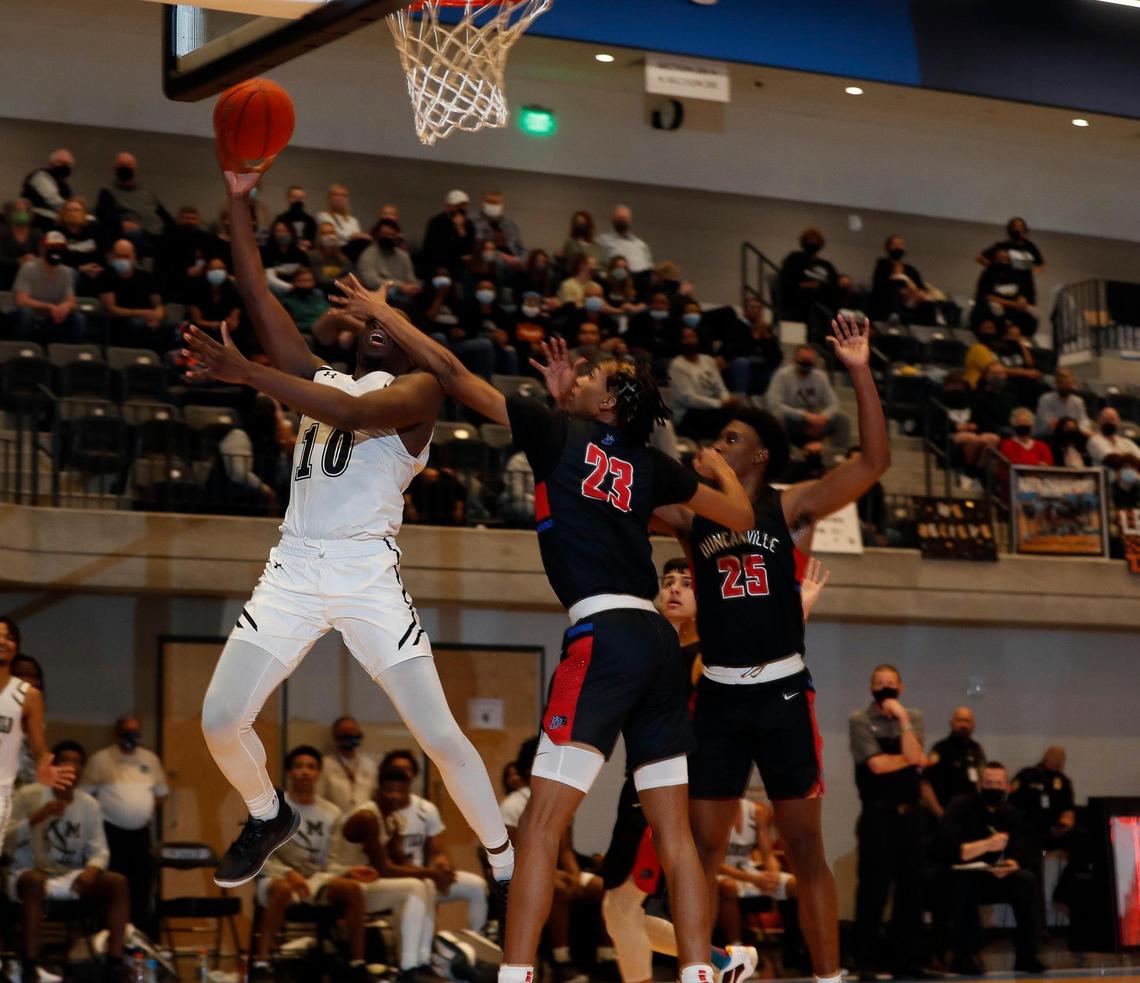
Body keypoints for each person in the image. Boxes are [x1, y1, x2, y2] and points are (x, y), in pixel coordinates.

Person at [331, 277, 757, 983]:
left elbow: (453, 373)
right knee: (675, 834)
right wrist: (719, 472)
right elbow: (736, 520)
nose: (582, 374)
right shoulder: (647, 463)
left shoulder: (559, 431)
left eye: (595, 375)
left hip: (604, 633)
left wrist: (386, 315)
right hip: (655, 639)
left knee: (537, 826)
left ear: (610, 402)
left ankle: (517, 973)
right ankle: (697, 972)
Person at [181, 165, 515, 902]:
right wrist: (238, 201)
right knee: (219, 718)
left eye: (386, 321)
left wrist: (245, 374)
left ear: (405, 338)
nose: (372, 326)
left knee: (438, 734)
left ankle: (502, 852)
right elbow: (258, 293)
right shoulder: (320, 374)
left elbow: (357, 419)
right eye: (367, 319)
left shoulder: (420, 392)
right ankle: (269, 813)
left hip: (368, 576)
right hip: (293, 568)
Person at [653, 314, 890, 983]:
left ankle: (826, 976)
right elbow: (619, 493)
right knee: (699, 847)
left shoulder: (790, 508)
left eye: (731, 436)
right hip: (720, 692)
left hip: (784, 689)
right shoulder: (692, 515)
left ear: (758, 455)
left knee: (805, 844)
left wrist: (861, 368)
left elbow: (874, 461)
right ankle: (701, 968)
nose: (718, 443)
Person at [600, 559, 759, 983]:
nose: (673, 589)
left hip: (668, 789)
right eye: (668, 582)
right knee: (621, 911)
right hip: (636, 781)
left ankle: (721, 962)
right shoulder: (657, 649)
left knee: (621, 905)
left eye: (686, 584)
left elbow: (728, 719)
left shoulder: (703, 657)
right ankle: (725, 961)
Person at [6, 741, 129, 983]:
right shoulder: (29, 795)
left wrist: (92, 870)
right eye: (65, 763)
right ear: (53, 766)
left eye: (76, 763)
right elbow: (5, 841)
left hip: (69, 875)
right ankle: (31, 964)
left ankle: (115, 962)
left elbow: (100, 851)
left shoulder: (89, 805)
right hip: (28, 872)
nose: (71, 768)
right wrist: (36, 817)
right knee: (34, 881)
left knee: (117, 882)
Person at [251, 745, 370, 983]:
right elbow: (261, 853)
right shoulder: (272, 808)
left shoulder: (332, 812)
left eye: (311, 767)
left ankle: (357, 963)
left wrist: (347, 871)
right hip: (279, 878)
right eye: (299, 767)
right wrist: (288, 874)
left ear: (318, 773)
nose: (305, 772)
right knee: (283, 890)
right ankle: (261, 963)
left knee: (353, 890)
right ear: (290, 772)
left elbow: (333, 860)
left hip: (317, 881)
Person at [847, 665, 927, 980]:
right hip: (878, 815)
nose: (885, 688)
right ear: (871, 688)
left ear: (901, 687)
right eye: (879, 683)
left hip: (911, 816)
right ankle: (864, 962)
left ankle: (907, 962)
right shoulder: (860, 720)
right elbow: (877, 765)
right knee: (873, 891)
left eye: (890, 683)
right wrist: (910, 759)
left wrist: (903, 720)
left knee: (912, 892)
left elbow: (915, 754)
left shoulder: (914, 717)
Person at [938, 762, 1045, 975]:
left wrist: (1009, 865)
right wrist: (988, 844)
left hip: (989, 874)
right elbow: (952, 850)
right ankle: (967, 955)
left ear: (1007, 787)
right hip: (952, 874)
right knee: (965, 881)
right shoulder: (959, 806)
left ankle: (1027, 954)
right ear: (979, 786)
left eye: (998, 783)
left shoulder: (1011, 813)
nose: (993, 787)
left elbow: (1020, 850)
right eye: (988, 783)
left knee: (1025, 880)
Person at [374, 761, 491, 937]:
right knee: (424, 888)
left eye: (400, 790)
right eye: (390, 790)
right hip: (399, 879)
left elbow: (436, 851)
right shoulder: (374, 813)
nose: (395, 796)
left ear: (409, 784)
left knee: (477, 886)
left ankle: (476, 942)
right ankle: (420, 955)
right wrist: (431, 874)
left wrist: (442, 866)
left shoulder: (425, 809)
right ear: (381, 789)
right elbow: (390, 863)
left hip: (426, 875)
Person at [81, 716, 168, 939]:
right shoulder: (101, 759)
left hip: (140, 835)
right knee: (113, 883)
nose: (131, 737)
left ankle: (139, 934)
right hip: (110, 832)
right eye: (126, 732)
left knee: (141, 885)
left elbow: (161, 794)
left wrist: (142, 810)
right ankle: (107, 933)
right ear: (117, 734)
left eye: (135, 732)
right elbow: (84, 796)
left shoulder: (149, 759)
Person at [1, 619, 74, 845]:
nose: (3, 641)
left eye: (10, 637)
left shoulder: (28, 696)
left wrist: (44, 768)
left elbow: (39, 750)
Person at [767, 345, 851, 448]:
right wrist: (804, 415)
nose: (806, 362)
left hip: (816, 420)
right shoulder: (782, 375)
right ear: (794, 359)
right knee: (777, 418)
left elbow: (834, 403)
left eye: (810, 360)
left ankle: (838, 455)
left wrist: (824, 417)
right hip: (791, 420)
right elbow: (774, 405)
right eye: (803, 359)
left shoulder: (821, 377)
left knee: (842, 420)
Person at [12, 232, 85, 343]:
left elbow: (71, 301)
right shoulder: (28, 268)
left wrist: (63, 307)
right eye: (52, 247)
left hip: (54, 318)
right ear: (42, 249)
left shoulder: (67, 272)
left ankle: (76, 355)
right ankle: (20, 349)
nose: (56, 251)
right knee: (25, 313)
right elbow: (21, 301)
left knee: (78, 318)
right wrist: (49, 307)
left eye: (59, 248)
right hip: (32, 317)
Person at [668, 326, 738, 440]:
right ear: (680, 341)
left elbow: (720, 386)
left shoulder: (708, 360)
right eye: (686, 338)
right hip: (689, 413)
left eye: (692, 337)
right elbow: (688, 398)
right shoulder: (676, 366)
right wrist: (719, 404)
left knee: (738, 411)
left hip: (713, 408)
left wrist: (726, 400)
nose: (690, 341)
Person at [97, 238, 167, 349]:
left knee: (171, 327)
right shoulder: (106, 276)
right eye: (118, 256)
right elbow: (111, 309)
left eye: (126, 256)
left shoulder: (145, 276)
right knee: (137, 324)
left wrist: (157, 316)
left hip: (147, 317)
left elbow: (158, 304)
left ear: (134, 258)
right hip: (121, 321)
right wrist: (142, 313)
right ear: (111, 257)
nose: (122, 260)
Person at [95, 151, 172, 248]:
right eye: (121, 164)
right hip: (137, 234)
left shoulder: (147, 191)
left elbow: (163, 214)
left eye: (128, 164)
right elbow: (105, 215)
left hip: (157, 232)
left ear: (134, 168)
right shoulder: (107, 191)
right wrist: (121, 224)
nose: (125, 167)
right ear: (115, 168)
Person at [922, 707, 986, 819]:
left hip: (971, 816)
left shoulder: (976, 749)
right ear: (952, 723)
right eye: (960, 720)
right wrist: (941, 815)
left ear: (973, 725)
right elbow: (925, 785)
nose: (964, 725)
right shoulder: (940, 749)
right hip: (944, 814)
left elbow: (981, 781)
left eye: (967, 721)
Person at [869, 235, 935, 324]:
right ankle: (894, 315)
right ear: (888, 247)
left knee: (928, 304)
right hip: (887, 302)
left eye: (900, 245)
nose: (898, 247)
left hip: (911, 302)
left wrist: (920, 293)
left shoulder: (910, 269)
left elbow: (921, 287)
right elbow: (878, 288)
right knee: (894, 289)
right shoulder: (882, 266)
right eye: (895, 245)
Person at [972, 247, 1037, 338]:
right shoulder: (988, 274)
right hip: (993, 309)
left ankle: (1020, 338)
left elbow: (1022, 293)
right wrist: (1013, 304)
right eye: (1000, 259)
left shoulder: (1015, 275)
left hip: (1012, 310)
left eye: (1006, 259)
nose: (1003, 262)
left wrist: (1022, 299)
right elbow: (986, 297)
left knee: (1031, 315)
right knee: (995, 308)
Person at [157, 205, 217, 303]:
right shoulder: (168, 238)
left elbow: (211, 257)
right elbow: (163, 263)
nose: (189, 222)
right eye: (186, 218)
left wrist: (202, 268)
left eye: (193, 219)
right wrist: (184, 271)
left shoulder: (206, 238)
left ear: (198, 220)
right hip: (174, 281)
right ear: (179, 219)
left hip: (201, 279)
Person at [779, 228, 837, 323]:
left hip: (822, 306)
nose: (812, 243)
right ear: (803, 242)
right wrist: (806, 285)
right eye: (809, 240)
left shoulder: (827, 265)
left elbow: (833, 285)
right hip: (798, 304)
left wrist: (819, 286)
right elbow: (786, 281)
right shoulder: (795, 258)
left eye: (815, 240)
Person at [53, 197, 107, 293]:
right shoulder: (57, 232)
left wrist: (97, 268)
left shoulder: (95, 228)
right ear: (63, 214)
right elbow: (57, 258)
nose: (73, 213)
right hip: (70, 272)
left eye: (77, 210)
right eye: (69, 210)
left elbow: (102, 252)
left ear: (84, 213)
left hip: (95, 269)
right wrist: (80, 268)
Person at [356, 217, 420, 298]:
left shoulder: (403, 256)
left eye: (391, 235)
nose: (387, 238)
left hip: (405, 294)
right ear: (377, 235)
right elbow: (371, 280)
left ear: (397, 236)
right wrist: (400, 286)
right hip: (377, 297)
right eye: (384, 234)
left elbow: (410, 278)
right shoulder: (368, 255)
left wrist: (415, 286)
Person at [596, 205, 654, 290]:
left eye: (624, 218)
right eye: (619, 218)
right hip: (615, 284)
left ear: (630, 221)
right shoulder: (602, 240)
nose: (622, 221)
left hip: (640, 284)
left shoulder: (641, 244)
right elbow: (598, 266)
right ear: (613, 221)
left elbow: (650, 266)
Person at [422, 189, 475, 279]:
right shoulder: (436, 222)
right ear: (448, 206)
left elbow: (468, 248)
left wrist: (461, 230)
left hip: (460, 264)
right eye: (457, 206)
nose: (459, 209)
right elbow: (431, 248)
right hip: (439, 263)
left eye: (462, 206)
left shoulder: (469, 224)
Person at [189, 257, 243, 339]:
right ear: (206, 271)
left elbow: (234, 320)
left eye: (220, 268)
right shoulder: (196, 290)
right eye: (212, 269)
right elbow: (197, 320)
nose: (216, 272)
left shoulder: (233, 291)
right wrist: (216, 324)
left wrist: (230, 323)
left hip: (228, 333)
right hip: (204, 331)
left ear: (226, 272)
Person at [22, 149, 75, 229]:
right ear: (52, 163)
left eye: (68, 164)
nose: (65, 166)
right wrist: (72, 213)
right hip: (39, 219)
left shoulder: (62, 183)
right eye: (62, 162)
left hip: (56, 218)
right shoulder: (40, 176)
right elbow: (53, 201)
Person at [473, 190, 525, 268]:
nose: (494, 206)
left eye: (497, 203)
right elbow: (479, 247)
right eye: (491, 203)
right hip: (490, 263)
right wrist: (502, 257)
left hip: (513, 263)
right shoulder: (474, 223)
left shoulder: (510, 225)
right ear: (483, 204)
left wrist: (519, 260)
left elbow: (521, 248)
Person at [978, 217, 1045, 277]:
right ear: (1010, 229)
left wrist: (1031, 274)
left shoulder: (1030, 246)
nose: (1019, 229)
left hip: (1024, 285)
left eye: (1021, 226)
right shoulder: (1003, 245)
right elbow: (980, 258)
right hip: (1006, 283)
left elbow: (1040, 265)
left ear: (1025, 229)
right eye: (1015, 227)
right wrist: (995, 269)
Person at [1087, 406, 1140, 481]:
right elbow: (1113, 460)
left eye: (1112, 419)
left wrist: (1129, 460)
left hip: (1133, 480)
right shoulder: (1094, 440)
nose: (1109, 422)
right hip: (1110, 482)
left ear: (1118, 422)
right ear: (1098, 421)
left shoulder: (1126, 441)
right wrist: (1130, 458)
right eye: (1105, 419)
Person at [1035, 369, 1091, 437]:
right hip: (1051, 436)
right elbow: (1045, 424)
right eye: (1064, 384)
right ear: (1057, 384)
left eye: (1069, 384)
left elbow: (1084, 420)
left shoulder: (1078, 401)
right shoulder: (1045, 399)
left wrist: (1077, 428)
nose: (1067, 387)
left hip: (1074, 434)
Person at [308, 220, 355, 293]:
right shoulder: (312, 256)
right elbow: (319, 280)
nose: (329, 236)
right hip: (321, 292)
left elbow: (352, 275)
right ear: (319, 237)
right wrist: (340, 281)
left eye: (331, 233)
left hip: (340, 291)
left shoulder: (343, 258)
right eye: (324, 233)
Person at [279, 265, 328, 336]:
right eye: (302, 281)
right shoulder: (287, 301)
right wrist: (313, 325)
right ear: (294, 282)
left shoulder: (318, 296)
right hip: (311, 330)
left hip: (328, 327)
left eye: (309, 281)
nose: (306, 284)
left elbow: (328, 311)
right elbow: (289, 325)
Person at [274, 185, 317, 249]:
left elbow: (312, 241)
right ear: (288, 198)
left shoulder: (310, 220)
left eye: (300, 198)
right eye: (295, 197)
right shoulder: (280, 219)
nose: (298, 201)